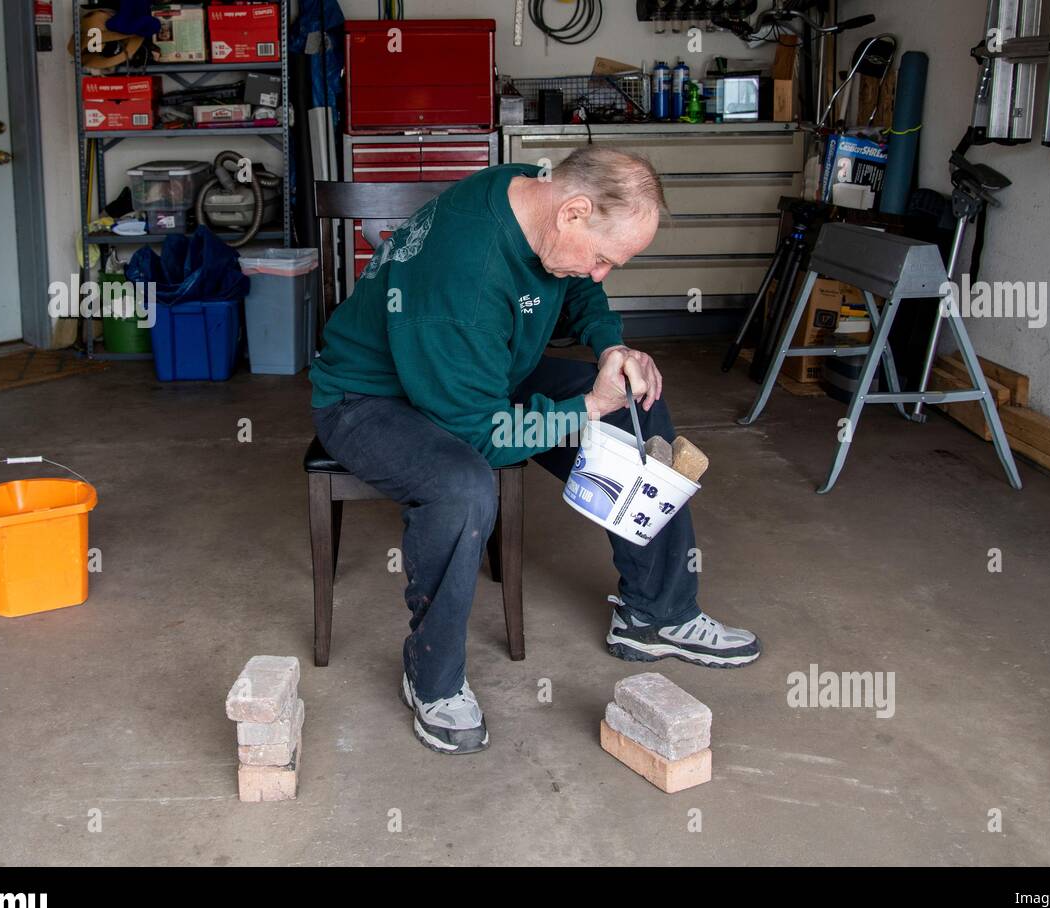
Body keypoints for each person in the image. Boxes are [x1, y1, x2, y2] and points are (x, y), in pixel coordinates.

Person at [310, 147, 761, 755]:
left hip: (480, 369)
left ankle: (655, 613)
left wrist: (609, 350)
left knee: (640, 404)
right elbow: (484, 438)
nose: (601, 273)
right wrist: (585, 411)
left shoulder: (533, 199)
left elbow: (579, 293)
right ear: (574, 211)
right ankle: (432, 676)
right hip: (370, 398)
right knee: (461, 485)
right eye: (603, 259)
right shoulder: (464, 277)